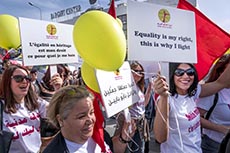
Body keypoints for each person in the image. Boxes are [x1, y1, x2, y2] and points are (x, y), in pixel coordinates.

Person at [153, 62, 230, 153]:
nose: (185, 76)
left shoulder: (192, 93)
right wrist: (163, 96)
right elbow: (160, 138)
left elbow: (220, 83)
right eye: (179, 72)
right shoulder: (168, 100)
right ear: (171, 75)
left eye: (190, 72)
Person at [43, 85, 136, 153]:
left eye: (91, 112)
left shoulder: (99, 134)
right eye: (81, 116)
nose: (90, 120)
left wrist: (123, 139)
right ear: (60, 120)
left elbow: (112, 149)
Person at [0, 64, 47, 152]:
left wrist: (58, 88)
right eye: (18, 78)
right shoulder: (1, 106)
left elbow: (61, 113)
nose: (25, 81)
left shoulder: (36, 102)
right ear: (7, 81)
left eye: (27, 78)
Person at [113, 61, 153, 153]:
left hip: (140, 121)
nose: (139, 74)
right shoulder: (123, 86)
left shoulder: (140, 86)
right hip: (127, 122)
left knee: (139, 148)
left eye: (141, 72)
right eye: (136, 71)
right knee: (125, 148)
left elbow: (143, 105)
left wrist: (150, 88)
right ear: (130, 71)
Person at [197, 54, 230, 153]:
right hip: (213, 145)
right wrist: (221, 129)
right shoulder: (211, 92)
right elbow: (194, 117)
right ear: (221, 72)